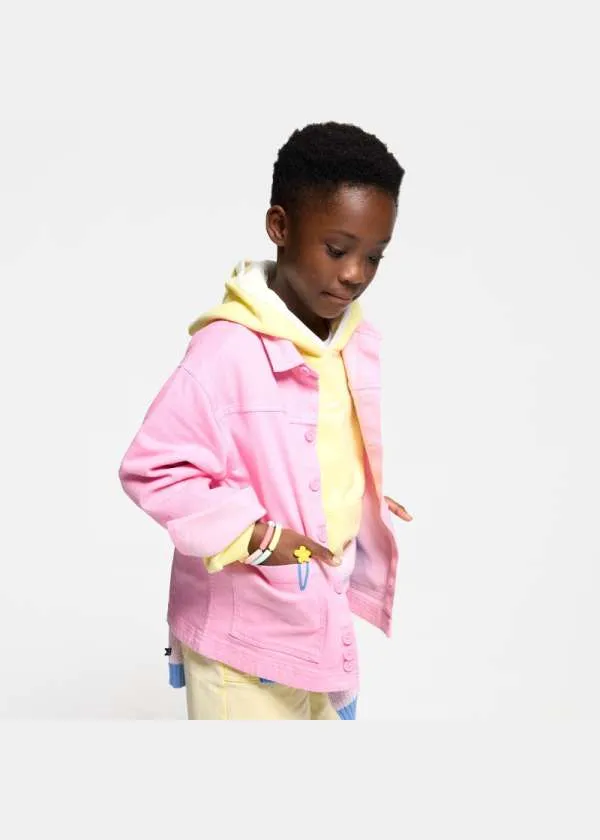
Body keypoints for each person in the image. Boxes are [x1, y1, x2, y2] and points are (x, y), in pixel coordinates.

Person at [119, 121, 412, 720]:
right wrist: (258, 537)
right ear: (279, 226)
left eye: (373, 256)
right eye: (338, 249)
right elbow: (153, 469)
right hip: (242, 644)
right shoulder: (226, 351)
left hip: (314, 621)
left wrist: (358, 493)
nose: (355, 274)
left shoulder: (347, 343)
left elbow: (310, 444)